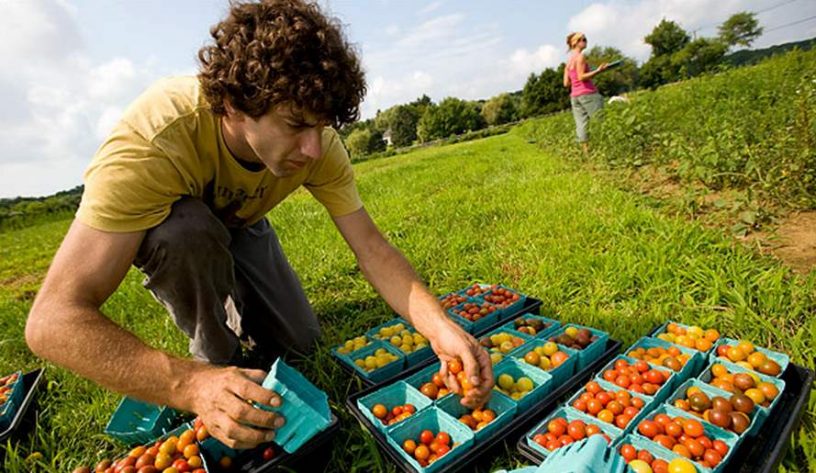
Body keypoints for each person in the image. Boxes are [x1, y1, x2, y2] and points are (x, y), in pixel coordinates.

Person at [24, 0, 493, 450]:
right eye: (294, 125)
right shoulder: (154, 141)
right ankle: (213, 356)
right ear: (233, 103)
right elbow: (51, 322)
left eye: (322, 126)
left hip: (244, 225)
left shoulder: (318, 144)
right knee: (186, 231)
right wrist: (188, 385)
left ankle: (242, 319)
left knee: (302, 344)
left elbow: (371, 248)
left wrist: (438, 327)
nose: (313, 149)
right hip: (178, 231)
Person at [563, 32, 608, 155]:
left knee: (581, 124)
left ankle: (586, 153)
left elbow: (566, 83)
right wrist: (598, 70)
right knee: (600, 120)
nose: (584, 41)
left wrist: (576, 82)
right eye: (581, 39)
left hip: (575, 96)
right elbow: (582, 76)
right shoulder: (580, 57)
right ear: (574, 43)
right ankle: (606, 148)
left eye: (585, 39)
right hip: (588, 94)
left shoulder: (568, 62)